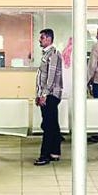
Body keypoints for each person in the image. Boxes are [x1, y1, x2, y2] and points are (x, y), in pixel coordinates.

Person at [34, 28, 63, 166]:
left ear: (49, 39)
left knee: (48, 126)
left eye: (42, 37)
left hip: (51, 95)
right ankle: (54, 152)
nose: (40, 40)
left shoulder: (53, 54)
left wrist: (44, 95)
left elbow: (50, 78)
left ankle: (44, 155)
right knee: (52, 124)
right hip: (46, 94)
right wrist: (38, 95)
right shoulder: (46, 54)